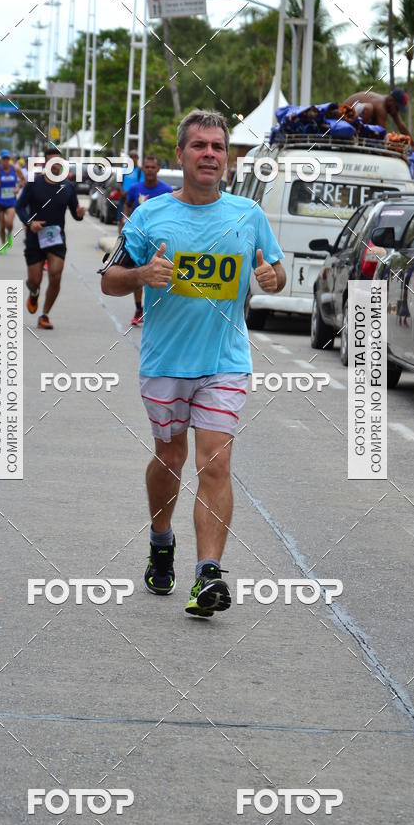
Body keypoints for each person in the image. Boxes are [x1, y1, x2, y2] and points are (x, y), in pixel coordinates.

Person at [100, 109, 286, 616]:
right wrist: (142, 274)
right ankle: (162, 541)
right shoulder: (149, 216)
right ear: (181, 155)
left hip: (225, 361)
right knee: (170, 457)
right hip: (164, 362)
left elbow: (276, 270)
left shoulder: (248, 215)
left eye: (218, 147)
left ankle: (208, 575)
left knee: (216, 461)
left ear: (227, 157)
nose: (209, 154)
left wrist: (273, 281)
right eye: (199, 145)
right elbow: (108, 281)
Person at [16, 149, 86, 330]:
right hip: (34, 237)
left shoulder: (68, 187)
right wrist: (30, 222)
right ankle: (33, 292)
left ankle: (45, 314)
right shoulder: (33, 183)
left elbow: (75, 213)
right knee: (34, 280)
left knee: (55, 275)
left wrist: (79, 214)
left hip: (56, 238)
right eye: (52, 162)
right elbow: (20, 207)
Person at [119, 154, 173, 326]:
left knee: (159, 274)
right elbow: (127, 205)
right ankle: (138, 309)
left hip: (160, 242)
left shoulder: (166, 191)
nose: (150, 170)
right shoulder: (135, 188)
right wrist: (124, 220)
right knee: (140, 273)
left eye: (153, 167)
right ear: (143, 169)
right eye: (147, 167)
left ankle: (159, 310)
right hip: (140, 239)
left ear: (158, 169)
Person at [0, 149, 26, 253]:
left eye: (7, 159)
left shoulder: (15, 169)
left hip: (11, 200)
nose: (5, 161)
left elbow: (24, 180)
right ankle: (3, 245)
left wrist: (18, 187)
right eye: (4, 159)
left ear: (9, 160)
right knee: (1, 226)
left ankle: (9, 234)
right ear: (1, 160)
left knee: (9, 222)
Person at [342, 89, 414, 142]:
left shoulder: (390, 105)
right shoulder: (381, 106)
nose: (397, 112)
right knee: (368, 109)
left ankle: (361, 138)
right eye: (397, 108)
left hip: (353, 119)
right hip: (344, 119)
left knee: (375, 129)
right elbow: (383, 135)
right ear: (391, 101)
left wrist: (413, 146)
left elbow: (401, 125)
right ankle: (355, 139)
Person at [118, 149, 143, 225]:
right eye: (131, 157)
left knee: (133, 219)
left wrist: (129, 192)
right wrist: (122, 191)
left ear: (138, 158)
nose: (133, 159)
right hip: (123, 197)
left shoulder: (140, 171)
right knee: (122, 219)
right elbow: (120, 182)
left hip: (134, 198)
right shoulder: (124, 169)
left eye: (135, 157)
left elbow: (140, 184)